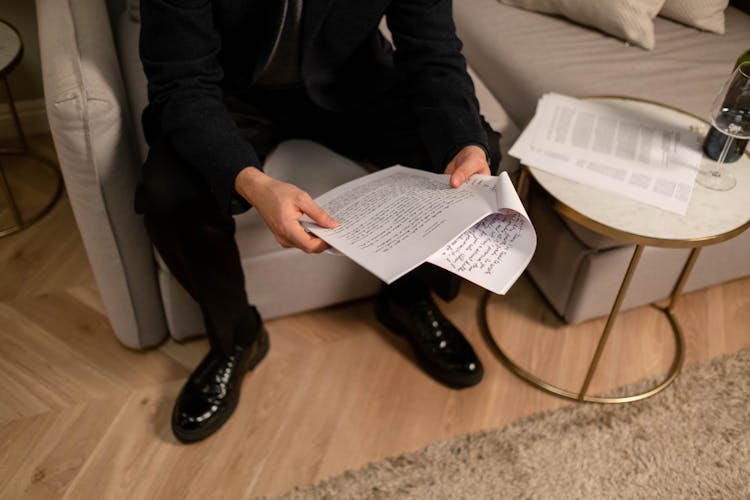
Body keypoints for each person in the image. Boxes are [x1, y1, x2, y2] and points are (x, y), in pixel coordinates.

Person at [136, 0, 502, 443]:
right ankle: (236, 336)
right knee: (168, 192)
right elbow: (180, 82)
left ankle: (409, 297)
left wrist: (465, 145)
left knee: (469, 155)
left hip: (351, 83)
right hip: (227, 92)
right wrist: (250, 181)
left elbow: (432, 49)